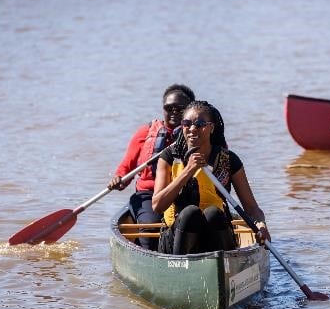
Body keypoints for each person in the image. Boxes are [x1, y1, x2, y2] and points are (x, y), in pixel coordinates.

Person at [152, 100, 271, 255]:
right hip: (176, 241)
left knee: (213, 213)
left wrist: (261, 225)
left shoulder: (228, 160)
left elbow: (251, 208)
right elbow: (157, 206)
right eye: (187, 123)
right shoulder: (169, 157)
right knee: (190, 214)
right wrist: (188, 170)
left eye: (200, 124)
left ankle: (224, 266)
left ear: (211, 128)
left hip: (215, 238)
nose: (192, 129)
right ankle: (180, 269)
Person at [108, 84, 195, 250]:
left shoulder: (199, 133)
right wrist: (119, 178)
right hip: (149, 195)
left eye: (180, 108)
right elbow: (126, 166)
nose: (174, 112)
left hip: (187, 192)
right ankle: (152, 254)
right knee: (150, 228)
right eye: (169, 108)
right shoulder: (145, 133)